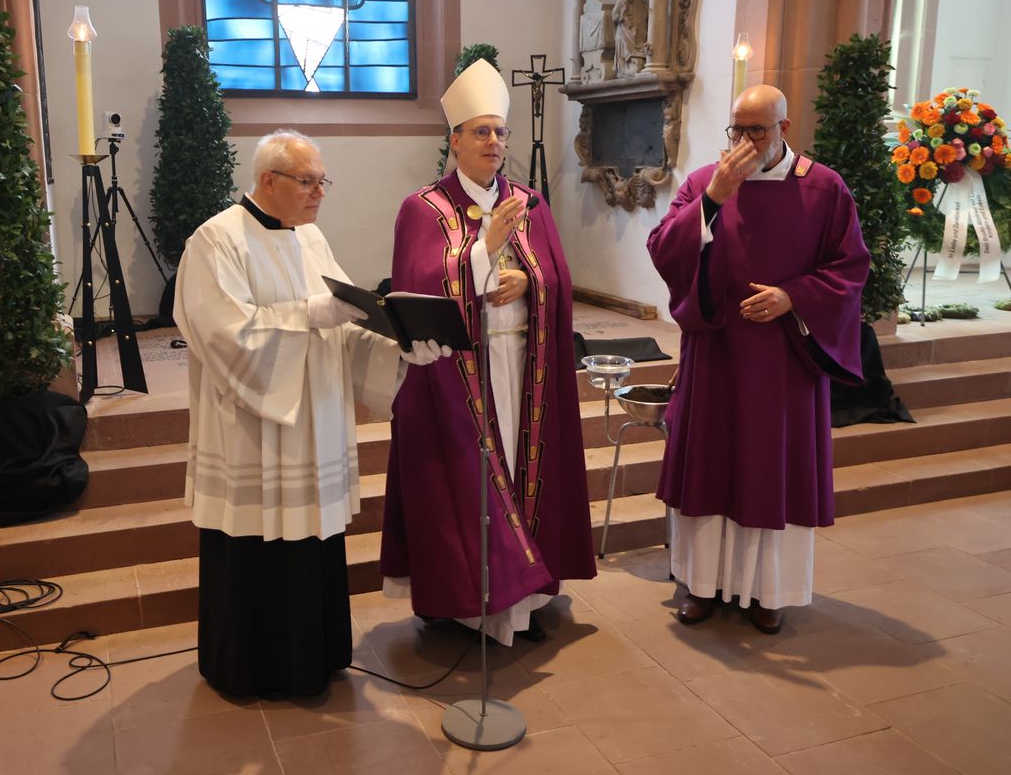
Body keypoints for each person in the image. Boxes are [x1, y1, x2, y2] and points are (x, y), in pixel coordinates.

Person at [174, 130, 449, 697]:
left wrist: (399, 347)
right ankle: (249, 669)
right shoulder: (216, 241)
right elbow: (224, 336)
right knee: (256, 549)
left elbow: (342, 326)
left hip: (313, 425)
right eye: (308, 181)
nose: (320, 191)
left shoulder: (311, 238)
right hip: (253, 431)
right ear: (268, 181)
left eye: (323, 180)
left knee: (310, 547)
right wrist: (311, 315)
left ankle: (314, 659)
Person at [380, 60, 596, 645]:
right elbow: (419, 288)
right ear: (453, 140)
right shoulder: (422, 208)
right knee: (470, 481)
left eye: (500, 132)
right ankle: (466, 606)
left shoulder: (529, 201)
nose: (495, 143)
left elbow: (557, 276)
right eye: (481, 131)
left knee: (526, 470)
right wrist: (484, 250)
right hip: (458, 379)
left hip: (525, 366)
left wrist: (532, 281)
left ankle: (522, 599)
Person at [646, 85, 869, 634]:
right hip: (717, 354)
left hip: (782, 361)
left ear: (784, 129)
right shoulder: (705, 182)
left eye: (758, 131)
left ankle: (769, 591)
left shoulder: (824, 189)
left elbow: (850, 269)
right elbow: (663, 248)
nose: (745, 142)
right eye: (737, 130)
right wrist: (713, 200)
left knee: (772, 469)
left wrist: (795, 296)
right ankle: (700, 586)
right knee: (712, 466)